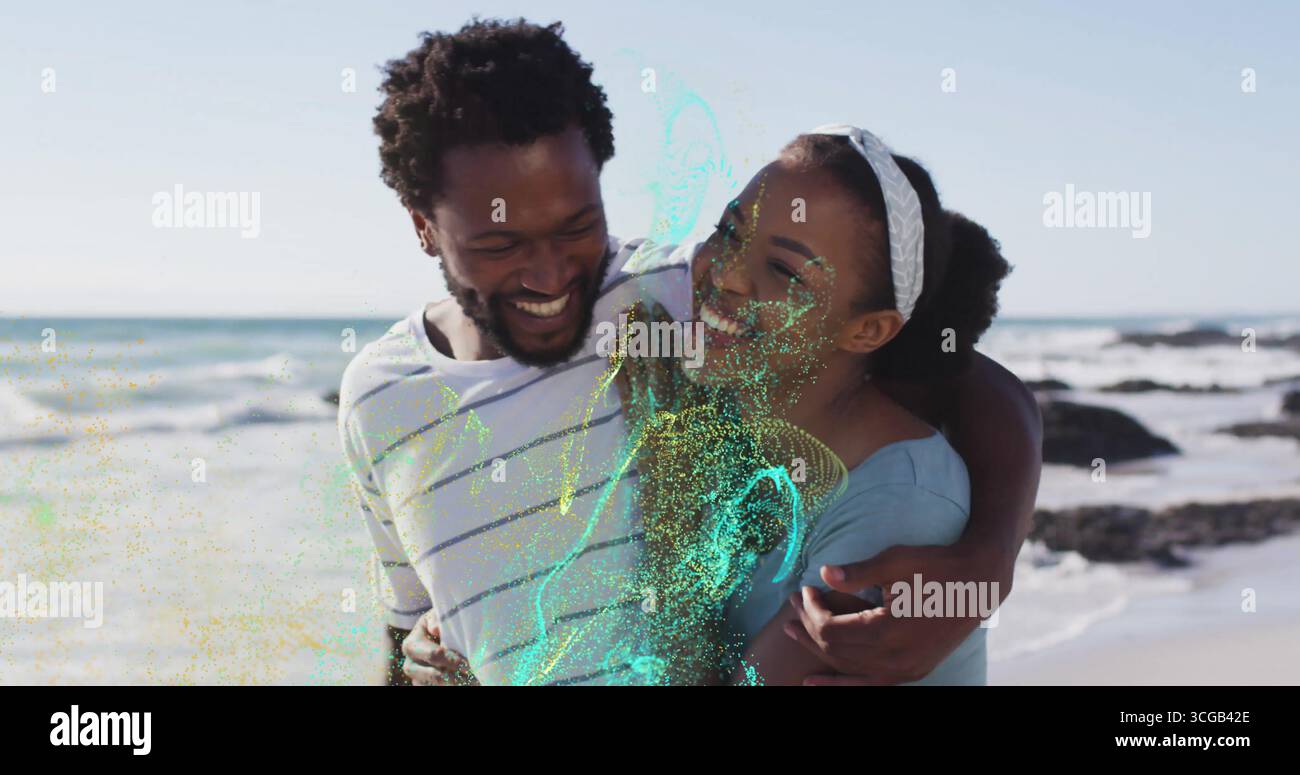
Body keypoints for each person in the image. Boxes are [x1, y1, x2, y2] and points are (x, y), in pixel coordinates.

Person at [341, 17, 1040, 686]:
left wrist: (987, 561)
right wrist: (422, 665)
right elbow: (404, 639)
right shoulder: (377, 397)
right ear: (424, 227)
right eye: (499, 244)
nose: (551, 277)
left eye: (577, 226)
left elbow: (957, 373)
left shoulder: (674, 295)